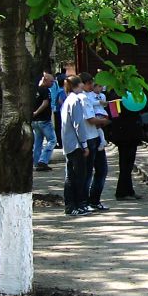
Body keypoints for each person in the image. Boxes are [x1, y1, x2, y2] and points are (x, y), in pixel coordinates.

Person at [60, 76, 92, 217]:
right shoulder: (76, 101)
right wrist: (84, 144)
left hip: (68, 144)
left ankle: (73, 205)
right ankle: (76, 205)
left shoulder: (67, 100)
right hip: (76, 145)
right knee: (78, 177)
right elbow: (78, 124)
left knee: (71, 176)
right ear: (78, 85)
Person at [80, 74, 110, 212]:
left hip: (95, 137)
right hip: (89, 138)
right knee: (88, 172)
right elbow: (90, 119)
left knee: (101, 170)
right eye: (91, 83)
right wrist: (104, 121)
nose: (93, 86)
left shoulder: (91, 95)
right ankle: (85, 201)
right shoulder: (83, 98)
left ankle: (94, 200)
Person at [109, 91, 145, 201]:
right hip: (124, 135)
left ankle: (128, 190)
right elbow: (114, 114)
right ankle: (121, 192)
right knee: (125, 165)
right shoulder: (115, 95)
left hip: (131, 134)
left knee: (128, 165)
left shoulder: (133, 92)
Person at [32, 72, 56, 171]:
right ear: (45, 80)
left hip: (35, 121)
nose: (53, 83)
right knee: (52, 140)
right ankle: (43, 160)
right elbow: (45, 103)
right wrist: (36, 112)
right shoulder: (45, 90)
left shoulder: (34, 90)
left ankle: (36, 162)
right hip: (44, 120)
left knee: (38, 142)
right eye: (51, 81)